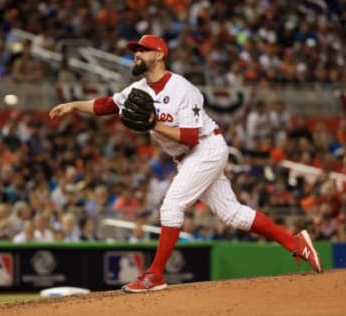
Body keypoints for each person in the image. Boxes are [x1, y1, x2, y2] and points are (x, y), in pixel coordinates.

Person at [49, 34, 322, 293]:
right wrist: (74, 105)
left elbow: (191, 137)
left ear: (159, 55)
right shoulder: (138, 89)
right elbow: (108, 104)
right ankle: (295, 242)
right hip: (187, 157)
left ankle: (155, 274)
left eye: (142, 50)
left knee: (172, 205)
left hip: (206, 147)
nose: (136, 55)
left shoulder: (182, 89)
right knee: (232, 214)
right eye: (135, 51)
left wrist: (153, 124)